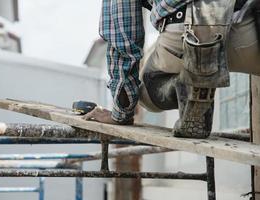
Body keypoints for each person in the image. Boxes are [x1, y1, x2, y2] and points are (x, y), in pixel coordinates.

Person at [83, 0, 260, 138]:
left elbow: (123, 37)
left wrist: (120, 113)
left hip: (191, 27)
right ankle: (200, 73)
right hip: (249, 21)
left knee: (147, 90)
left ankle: (193, 85)